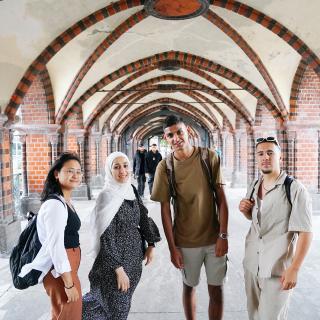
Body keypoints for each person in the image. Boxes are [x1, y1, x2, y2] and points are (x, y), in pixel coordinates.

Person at [151, 115, 229, 320]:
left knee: (216, 290)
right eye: (170, 135)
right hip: (185, 241)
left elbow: (221, 200)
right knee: (189, 287)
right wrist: (172, 247)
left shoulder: (208, 157)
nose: (176, 138)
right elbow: (165, 210)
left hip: (213, 239)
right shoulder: (165, 167)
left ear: (188, 132)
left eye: (179, 132)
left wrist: (223, 235)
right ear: (165, 138)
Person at [239, 136, 313, 320]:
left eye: (270, 153)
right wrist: (245, 211)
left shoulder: (295, 189)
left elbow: (305, 232)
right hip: (251, 265)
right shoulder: (255, 185)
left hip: (277, 269)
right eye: (261, 154)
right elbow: (258, 220)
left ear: (280, 157)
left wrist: (294, 268)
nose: (265, 157)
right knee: (254, 316)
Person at [82, 151, 161, 320]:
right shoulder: (106, 196)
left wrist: (151, 244)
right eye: (116, 167)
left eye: (125, 166)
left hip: (133, 262)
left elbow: (143, 217)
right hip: (114, 265)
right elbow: (106, 237)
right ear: (109, 171)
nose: (122, 171)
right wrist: (118, 269)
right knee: (113, 308)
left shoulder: (131, 189)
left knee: (115, 308)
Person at [19, 152, 83, 320]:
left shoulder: (64, 201)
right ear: (57, 174)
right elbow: (56, 246)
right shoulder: (55, 205)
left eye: (78, 171)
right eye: (70, 171)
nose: (75, 175)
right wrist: (69, 284)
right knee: (70, 315)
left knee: (62, 314)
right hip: (60, 271)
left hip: (67, 267)